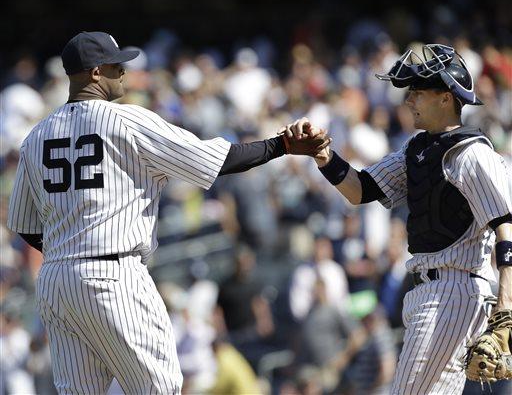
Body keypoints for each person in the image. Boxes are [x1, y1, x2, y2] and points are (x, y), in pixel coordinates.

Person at [5, 31, 330, 394]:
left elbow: (24, 225)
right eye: (116, 65)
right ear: (95, 72)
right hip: (112, 274)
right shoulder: (124, 121)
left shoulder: (35, 137)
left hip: (56, 280)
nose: (124, 73)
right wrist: (280, 145)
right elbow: (215, 159)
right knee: (160, 387)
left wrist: (69, 253)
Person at [283, 43, 512, 394]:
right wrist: (324, 155)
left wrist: (505, 307)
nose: (409, 100)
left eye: (418, 92)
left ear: (445, 97)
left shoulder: (473, 155)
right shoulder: (417, 148)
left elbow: (506, 226)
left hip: (454, 289)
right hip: (427, 291)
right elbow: (361, 189)